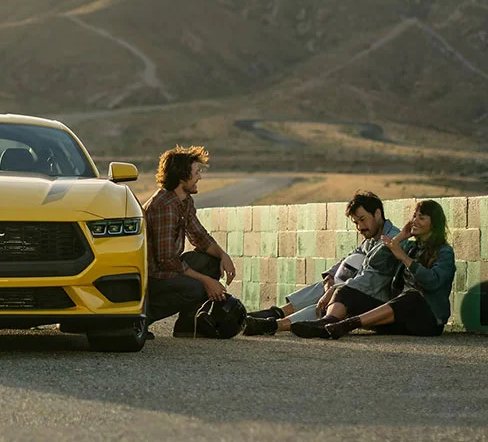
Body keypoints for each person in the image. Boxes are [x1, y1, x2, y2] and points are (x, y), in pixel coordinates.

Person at [244, 191, 400, 336]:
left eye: (362, 219)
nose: (359, 227)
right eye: (356, 223)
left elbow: (368, 281)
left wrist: (334, 290)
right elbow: (350, 257)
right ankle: (277, 313)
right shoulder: (371, 239)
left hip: (377, 304)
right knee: (326, 286)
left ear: (377, 214)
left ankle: (274, 325)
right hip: (358, 292)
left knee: (336, 296)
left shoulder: (391, 240)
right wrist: (330, 277)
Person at [324, 200, 456, 339]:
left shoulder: (444, 252)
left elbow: (433, 281)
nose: (415, 221)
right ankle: (327, 323)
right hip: (399, 317)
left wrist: (405, 258)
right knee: (345, 290)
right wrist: (398, 239)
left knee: (413, 297)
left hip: (427, 321)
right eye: (414, 216)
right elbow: (376, 263)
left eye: (421, 218)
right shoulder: (411, 247)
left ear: (434, 224)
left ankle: (348, 324)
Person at [144, 145, 237, 338]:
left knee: (210, 261)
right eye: (196, 172)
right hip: (152, 275)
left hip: (167, 268)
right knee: (197, 288)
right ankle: (142, 318)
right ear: (182, 176)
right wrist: (207, 281)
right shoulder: (165, 206)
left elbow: (199, 236)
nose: (200, 177)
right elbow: (166, 260)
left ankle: (187, 326)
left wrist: (223, 255)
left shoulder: (184, 200)